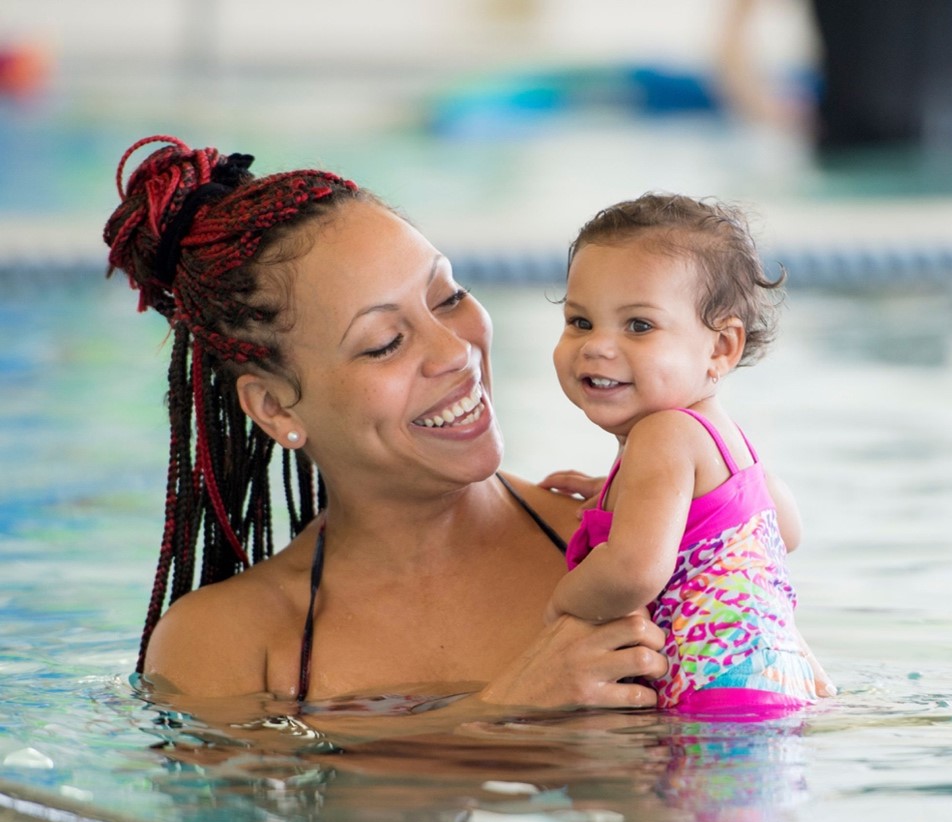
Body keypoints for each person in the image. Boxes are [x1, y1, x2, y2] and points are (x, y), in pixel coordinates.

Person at [102, 135, 688, 714]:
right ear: (276, 408)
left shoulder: (634, 550)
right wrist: (498, 713)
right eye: (384, 344)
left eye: (447, 295)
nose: (454, 351)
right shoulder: (230, 643)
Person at [542, 193, 824, 716]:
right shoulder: (726, 441)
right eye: (580, 322)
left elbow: (633, 573)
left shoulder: (664, 435)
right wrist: (634, 496)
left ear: (721, 348)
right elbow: (785, 528)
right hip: (772, 687)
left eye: (639, 326)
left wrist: (560, 605)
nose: (597, 346)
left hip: (711, 707)